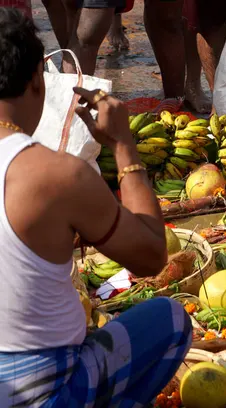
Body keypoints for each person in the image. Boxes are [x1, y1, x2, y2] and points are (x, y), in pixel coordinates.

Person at [0, 9, 191, 406]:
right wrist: (123, 145)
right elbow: (151, 256)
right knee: (170, 319)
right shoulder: (54, 175)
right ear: (38, 80)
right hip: (39, 388)